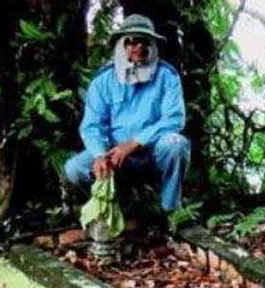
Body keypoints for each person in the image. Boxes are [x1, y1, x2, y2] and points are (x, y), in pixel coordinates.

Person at [64, 14, 190, 214]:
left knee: (177, 145)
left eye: (144, 41)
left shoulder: (167, 76)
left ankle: (171, 210)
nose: (138, 46)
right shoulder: (102, 80)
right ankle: (115, 205)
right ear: (122, 45)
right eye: (131, 41)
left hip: (151, 152)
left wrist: (135, 142)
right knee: (74, 168)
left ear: (152, 44)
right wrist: (99, 155)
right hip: (114, 156)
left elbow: (174, 118)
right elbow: (92, 125)